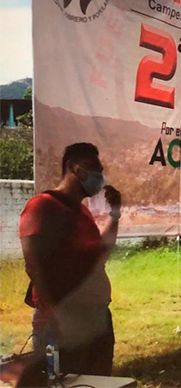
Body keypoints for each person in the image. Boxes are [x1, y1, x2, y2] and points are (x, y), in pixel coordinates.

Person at [19, 142, 121, 377]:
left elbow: (100, 254)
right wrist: (55, 313)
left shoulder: (82, 212)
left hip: (95, 318)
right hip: (65, 322)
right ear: (76, 169)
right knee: (66, 379)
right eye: (95, 168)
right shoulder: (43, 206)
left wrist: (114, 215)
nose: (100, 176)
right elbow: (34, 264)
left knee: (98, 380)